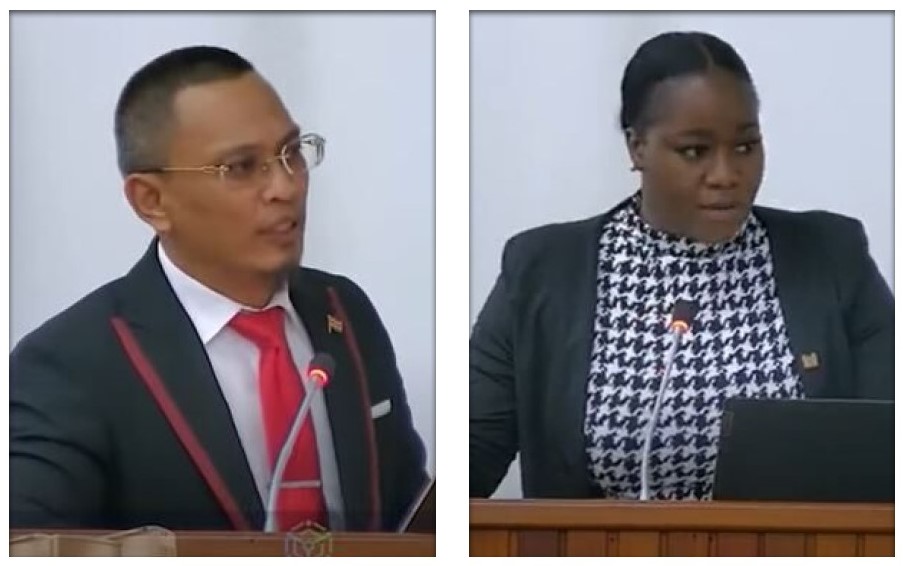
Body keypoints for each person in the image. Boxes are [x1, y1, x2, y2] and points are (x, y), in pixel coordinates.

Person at [11, 45, 429, 532]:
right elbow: (29, 543)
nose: (286, 187)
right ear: (152, 201)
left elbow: (405, 513)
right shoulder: (69, 366)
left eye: (291, 153)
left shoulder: (342, 310)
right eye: (241, 167)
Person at [469, 31, 893, 500]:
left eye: (745, 146)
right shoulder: (542, 271)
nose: (726, 175)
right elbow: (474, 453)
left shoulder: (830, 256)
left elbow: (886, 438)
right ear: (637, 148)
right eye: (694, 151)